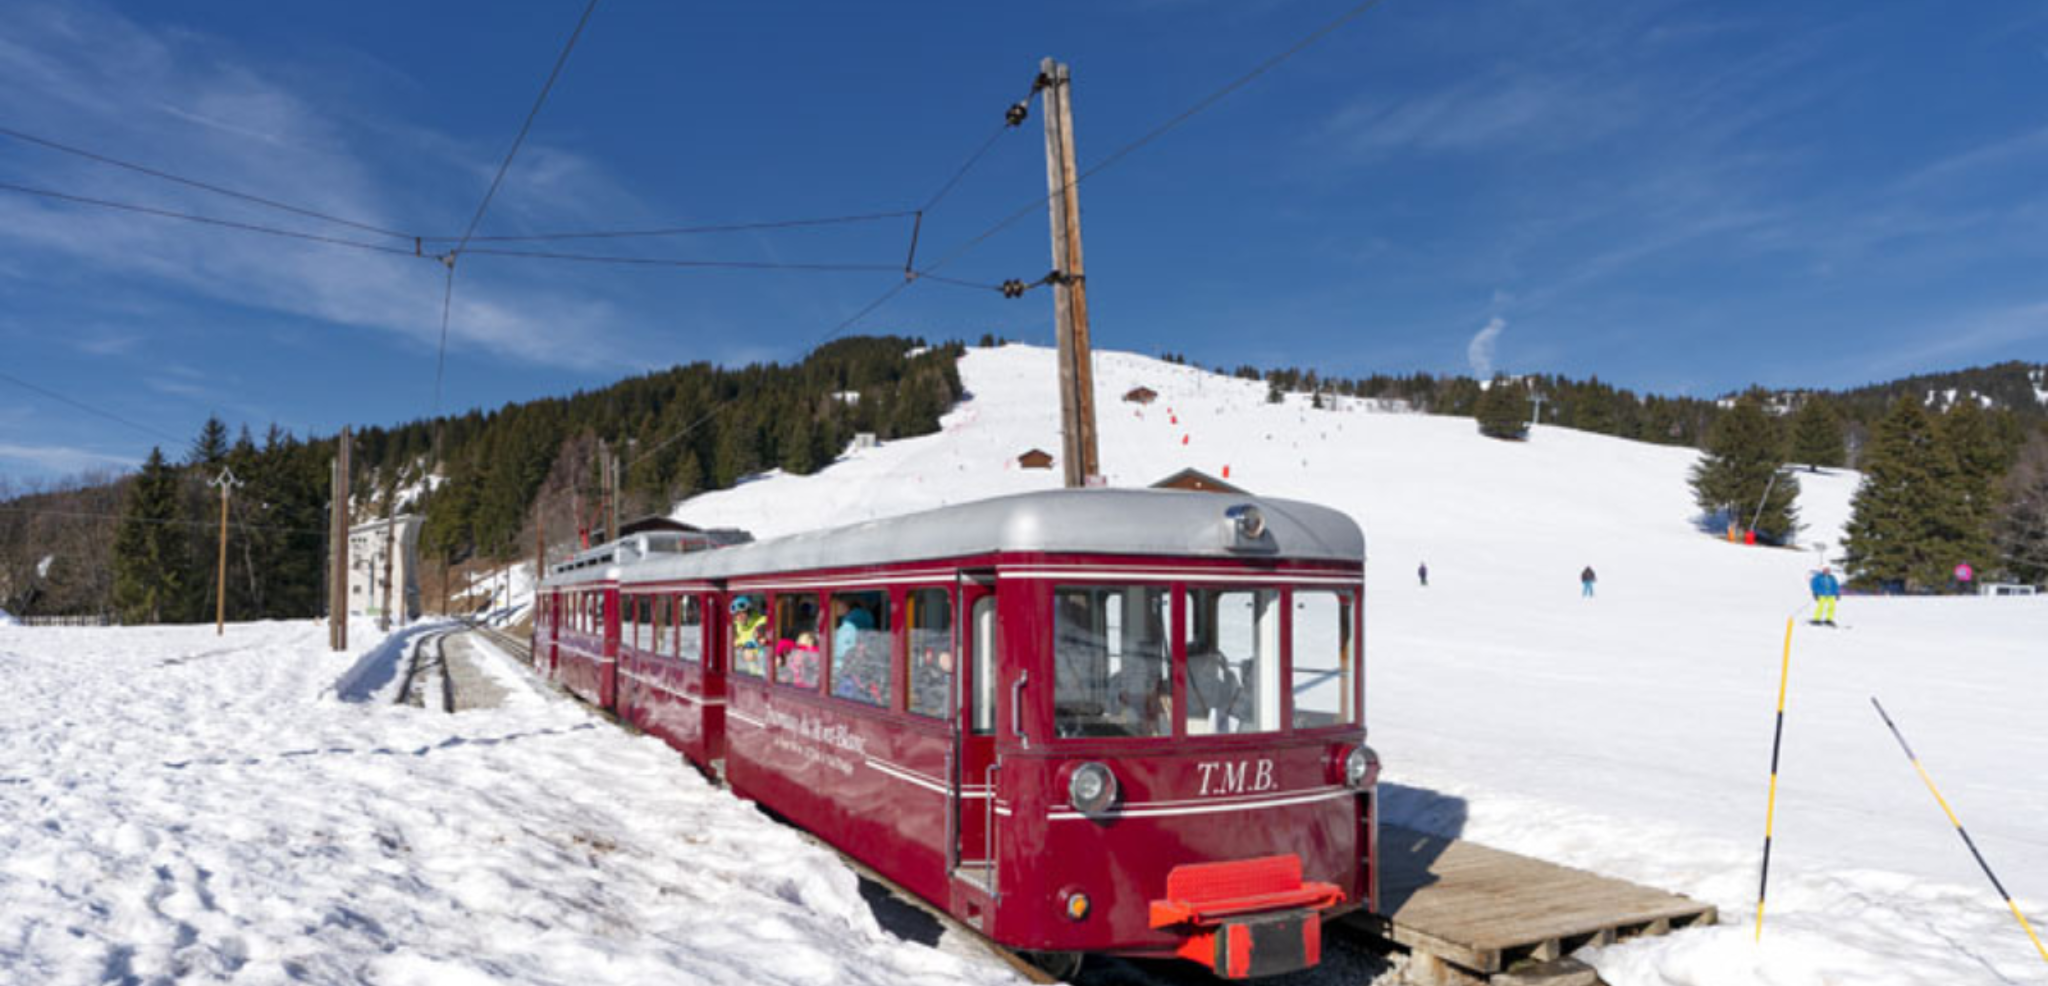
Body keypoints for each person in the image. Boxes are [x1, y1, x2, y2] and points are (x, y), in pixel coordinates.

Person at [731, 596, 767, 675]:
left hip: (764, 668)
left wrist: (747, 648)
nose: (739, 616)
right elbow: (735, 643)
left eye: (742, 612)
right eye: (736, 614)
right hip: (749, 671)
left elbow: (760, 638)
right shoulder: (737, 626)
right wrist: (740, 646)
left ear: (749, 611)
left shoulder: (761, 621)